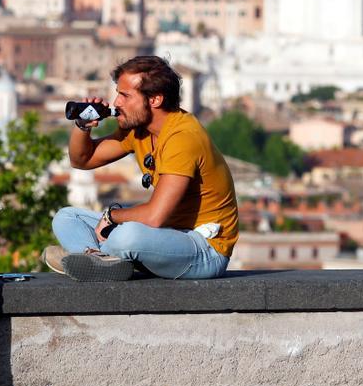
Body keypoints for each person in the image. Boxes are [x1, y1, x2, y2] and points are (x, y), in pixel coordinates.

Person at [46, 56, 237, 282]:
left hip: (205, 249)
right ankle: (98, 258)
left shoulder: (183, 138)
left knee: (127, 235)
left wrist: (112, 216)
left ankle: (92, 255)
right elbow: (82, 160)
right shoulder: (138, 130)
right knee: (66, 217)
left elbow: (155, 216)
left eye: (125, 95)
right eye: (118, 93)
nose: (116, 102)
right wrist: (82, 125)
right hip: (166, 234)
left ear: (155, 99)